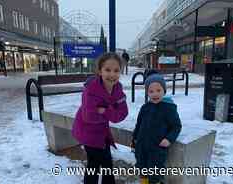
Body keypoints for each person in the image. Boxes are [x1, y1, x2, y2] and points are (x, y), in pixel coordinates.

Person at [72, 52, 129, 184]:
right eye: (107, 70)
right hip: (88, 132)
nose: (112, 74)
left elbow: (122, 113)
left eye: (116, 70)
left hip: (102, 133)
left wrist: (104, 110)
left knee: (107, 164)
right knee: (94, 166)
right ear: (100, 71)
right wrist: (110, 111)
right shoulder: (90, 89)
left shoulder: (118, 89)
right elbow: (89, 116)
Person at [131, 73, 182, 184]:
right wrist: (135, 139)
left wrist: (169, 139)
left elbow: (176, 126)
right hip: (142, 146)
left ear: (164, 91)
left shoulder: (168, 108)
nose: (155, 94)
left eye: (158, 90)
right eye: (151, 91)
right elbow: (139, 124)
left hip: (157, 148)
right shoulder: (145, 107)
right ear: (147, 93)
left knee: (155, 173)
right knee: (142, 169)